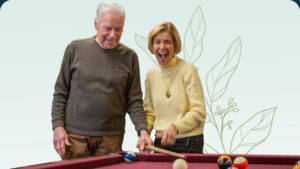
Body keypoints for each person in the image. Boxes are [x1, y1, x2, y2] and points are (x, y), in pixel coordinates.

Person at [51, 2, 152, 160]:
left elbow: (134, 101)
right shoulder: (75, 49)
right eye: (107, 28)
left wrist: (143, 131)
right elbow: (61, 93)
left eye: (118, 29)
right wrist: (58, 127)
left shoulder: (130, 57)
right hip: (75, 138)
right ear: (96, 24)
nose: (113, 35)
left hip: (111, 139)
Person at [144, 22, 206, 153]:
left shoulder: (188, 70)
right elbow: (150, 112)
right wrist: (145, 135)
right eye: (157, 42)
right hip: (160, 143)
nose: (162, 47)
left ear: (175, 45)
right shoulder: (151, 74)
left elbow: (199, 111)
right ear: (152, 46)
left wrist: (175, 127)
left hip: (189, 143)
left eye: (167, 42)